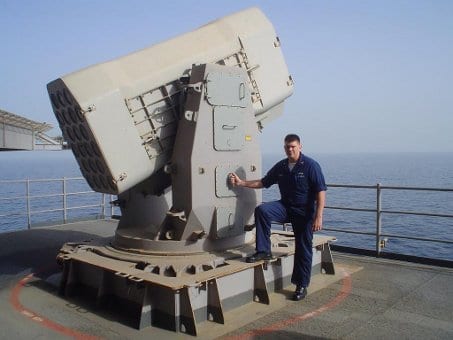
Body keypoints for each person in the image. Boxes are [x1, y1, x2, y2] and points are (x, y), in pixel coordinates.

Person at [229, 133, 326, 301]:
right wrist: (241, 183)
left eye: (293, 146)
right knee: (263, 210)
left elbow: (320, 192)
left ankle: (301, 285)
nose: (290, 149)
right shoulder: (281, 166)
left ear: (300, 147)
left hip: (304, 213)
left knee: (303, 248)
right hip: (286, 207)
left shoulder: (311, 166)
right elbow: (264, 182)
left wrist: (319, 216)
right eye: (287, 147)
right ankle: (263, 251)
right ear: (284, 148)